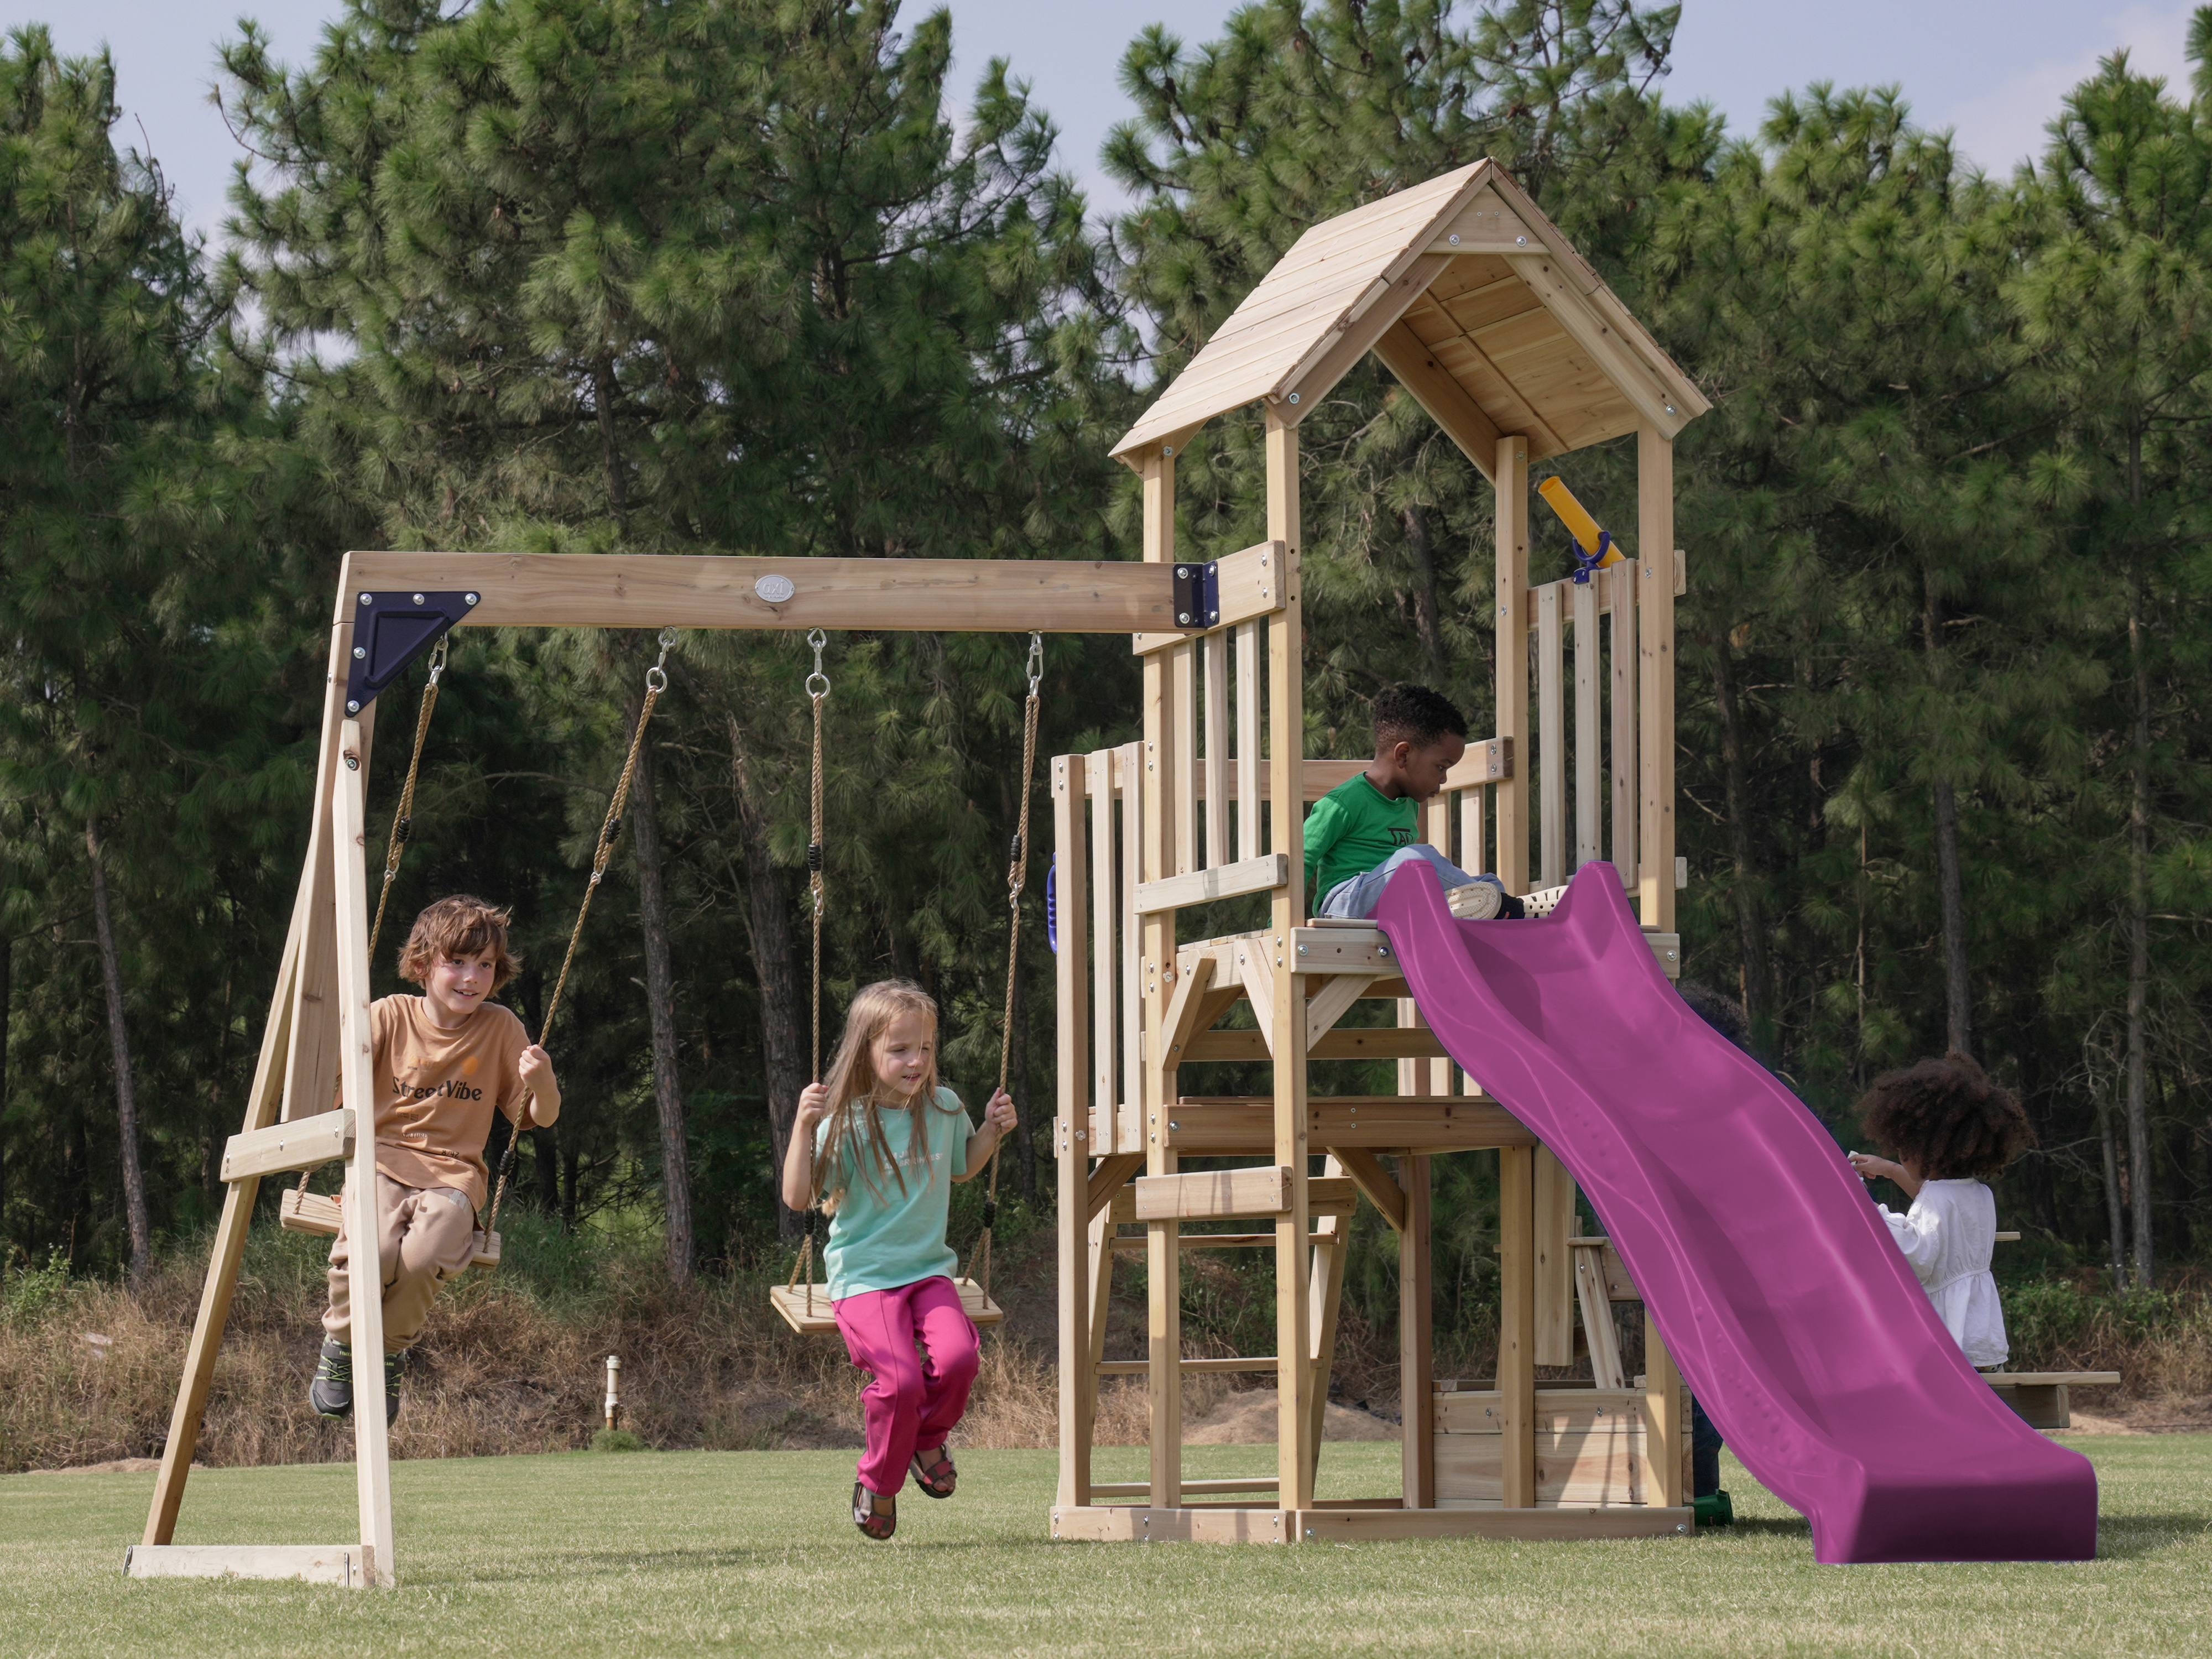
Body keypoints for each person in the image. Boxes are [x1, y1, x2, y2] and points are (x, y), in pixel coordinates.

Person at [780, 979, 1018, 1541]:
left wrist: (990, 1129)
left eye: (926, 1049)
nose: (917, 1061)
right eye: (900, 1050)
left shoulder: (942, 1106)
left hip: (928, 1272)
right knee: (900, 1381)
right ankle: (879, 1482)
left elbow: (961, 1165)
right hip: (864, 1280)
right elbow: (796, 1198)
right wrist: (801, 1126)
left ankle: (927, 1439)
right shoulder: (845, 1123)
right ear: (867, 1052)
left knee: (960, 1360)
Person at [310, 895, 560, 1423]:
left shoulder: (500, 1028)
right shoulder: (387, 1015)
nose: (472, 977)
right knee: (374, 1252)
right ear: (423, 965)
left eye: (485, 965)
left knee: (424, 1257)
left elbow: (537, 1116)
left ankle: (389, 1351)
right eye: (458, 962)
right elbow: (330, 1093)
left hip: (455, 1175)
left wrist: (544, 1083)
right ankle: (343, 1344)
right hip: (380, 1161)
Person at [1849, 1051, 2034, 1370]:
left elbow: (1917, 1255)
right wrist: (1892, 1170)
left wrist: (1865, 1206)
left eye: (1903, 1150)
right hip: (1981, 1334)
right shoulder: (1979, 1193)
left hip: (1950, 1336)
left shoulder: (1937, 1198)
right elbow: (1939, 1206)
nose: (1901, 1156)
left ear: (1926, 1149)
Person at [1305, 683, 1525, 921]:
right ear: (1403, 755)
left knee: (1489, 882)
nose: (1444, 778)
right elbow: (1301, 857)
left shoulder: (1409, 803)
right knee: (1416, 860)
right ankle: (1504, 909)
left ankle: (1502, 911)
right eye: (1441, 767)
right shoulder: (1343, 803)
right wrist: (1280, 924)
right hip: (1345, 903)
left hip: (1394, 904)